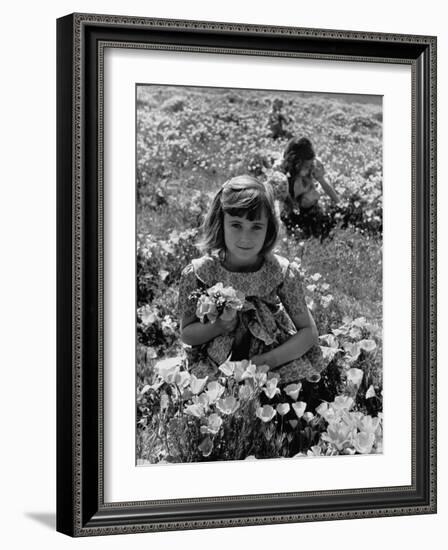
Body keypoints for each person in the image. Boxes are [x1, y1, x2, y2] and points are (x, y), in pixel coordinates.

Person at [177, 175, 324, 385]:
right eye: (236, 225)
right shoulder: (200, 272)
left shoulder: (279, 271)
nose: (246, 238)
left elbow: (308, 333)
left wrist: (265, 362)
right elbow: (187, 335)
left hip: (271, 358)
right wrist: (219, 326)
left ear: (269, 229)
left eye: (256, 227)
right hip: (217, 362)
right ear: (221, 223)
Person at [281, 136, 340, 240]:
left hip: (307, 206)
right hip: (293, 209)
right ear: (296, 164)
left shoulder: (313, 165)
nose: (309, 168)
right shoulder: (284, 177)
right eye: (306, 167)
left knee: (313, 201)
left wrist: (338, 202)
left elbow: (330, 191)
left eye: (310, 165)